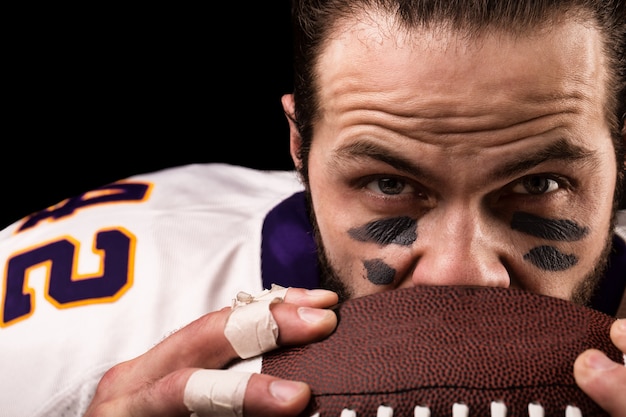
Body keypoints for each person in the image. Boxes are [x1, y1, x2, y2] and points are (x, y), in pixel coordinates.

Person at [1, 0, 625, 416]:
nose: (459, 273)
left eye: (540, 183)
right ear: (300, 146)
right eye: (387, 183)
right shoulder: (64, 327)